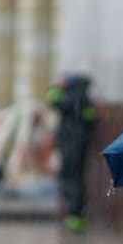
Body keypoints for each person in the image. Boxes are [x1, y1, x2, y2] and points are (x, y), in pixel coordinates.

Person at [46, 74, 97, 233]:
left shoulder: (71, 98)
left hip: (70, 146)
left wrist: (55, 87)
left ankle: (72, 214)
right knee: (77, 179)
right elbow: (91, 121)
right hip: (80, 146)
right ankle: (76, 215)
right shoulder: (85, 100)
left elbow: (53, 101)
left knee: (69, 178)